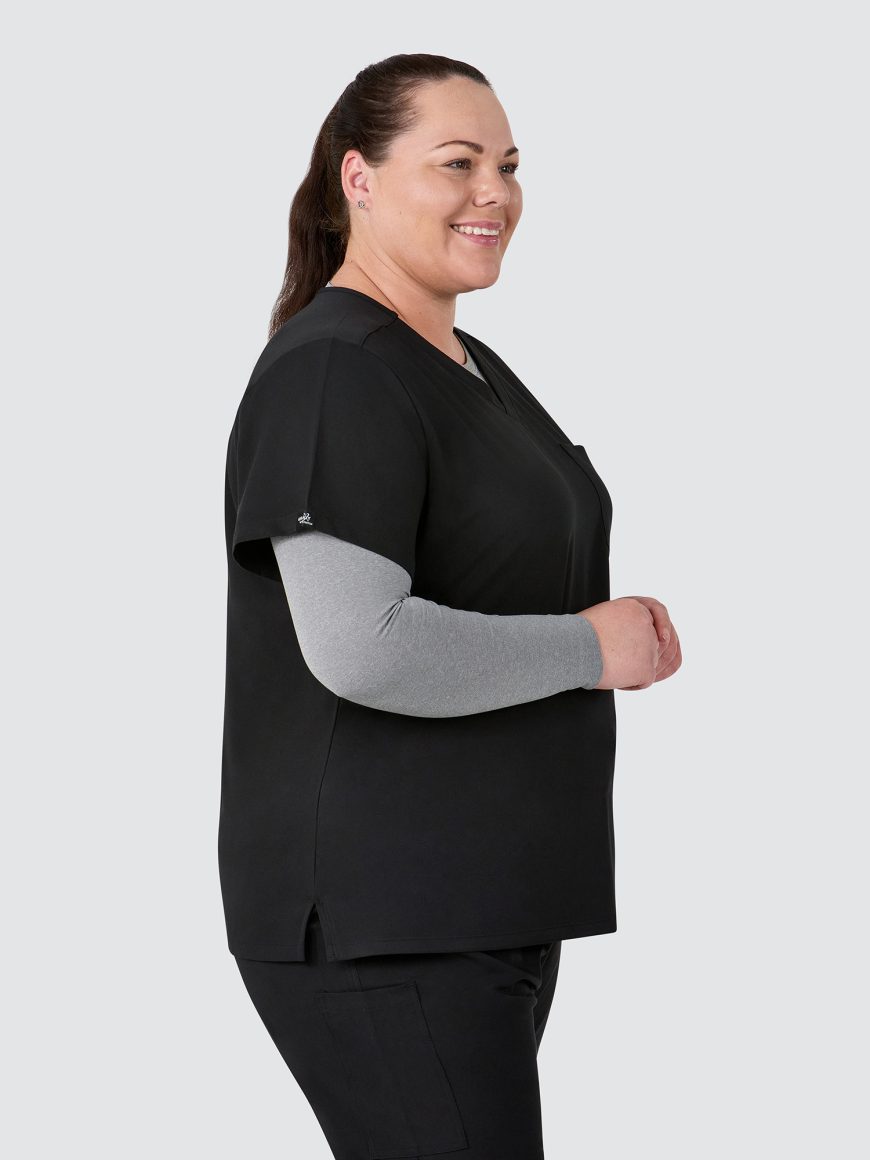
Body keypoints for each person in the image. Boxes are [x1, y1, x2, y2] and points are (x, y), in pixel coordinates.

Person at [220, 52, 681, 1160]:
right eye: (458, 162)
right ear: (359, 179)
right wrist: (589, 647)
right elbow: (361, 647)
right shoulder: (333, 369)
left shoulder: (463, 361)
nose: (495, 193)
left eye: (509, 166)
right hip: (386, 915)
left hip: (478, 901)